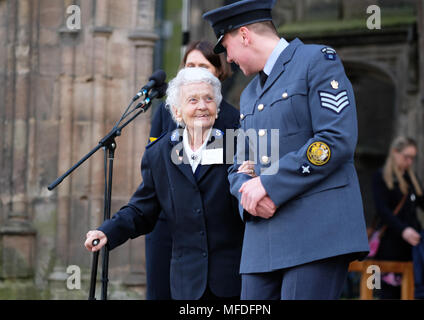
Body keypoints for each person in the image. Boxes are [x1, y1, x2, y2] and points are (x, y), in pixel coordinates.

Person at [203, 0, 369, 300]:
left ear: (244, 35)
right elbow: (238, 164)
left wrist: (268, 184)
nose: (227, 57)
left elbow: (335, 140)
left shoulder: (316, 59)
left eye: (226, 46)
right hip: (262, 242)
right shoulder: (251, 92)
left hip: (316, 232)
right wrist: (247, 197)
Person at [85, 67, 244, 300]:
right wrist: (109, 231)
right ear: (177, 112)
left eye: (209, 99)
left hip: (233, 280)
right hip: (186, 283)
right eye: (193, 100)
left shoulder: (238, 145)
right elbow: (142, 208)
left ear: (217, 108)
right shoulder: (159, 153)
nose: (202, 106)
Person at [145, 40, 240, 300]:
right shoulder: (165, 118)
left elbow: (227, 181)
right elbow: (152, 178)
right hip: (170, 227)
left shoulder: (233, 123)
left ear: (219, 71)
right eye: (190, 65)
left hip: (217, 246)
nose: (195, 71)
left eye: (204, 66)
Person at [372, 136, 424, 299]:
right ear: (395, 152)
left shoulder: (411, 179)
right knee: (384, 291)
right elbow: (383, 211)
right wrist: (403, 230)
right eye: (406, 156)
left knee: (409, 292)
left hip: (411, 247)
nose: (409, 161)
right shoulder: (380, 177)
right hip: (388, 246)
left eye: (412, 158)